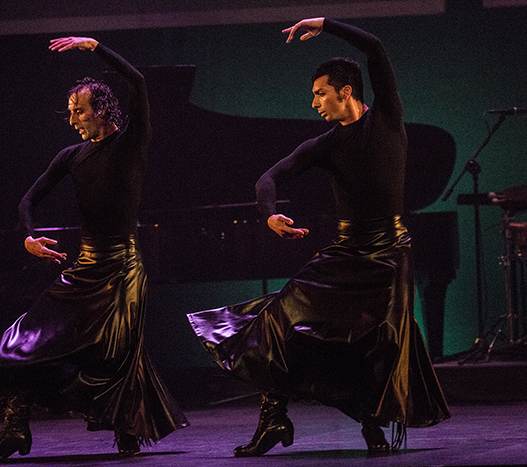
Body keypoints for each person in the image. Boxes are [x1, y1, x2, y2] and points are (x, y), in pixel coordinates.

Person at [187, 17, 450, 456]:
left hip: (389, 252)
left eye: (320, 93)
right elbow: (268, 179)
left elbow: (376, 48)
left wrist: (326, 24)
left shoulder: (386, 119)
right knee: (278, 320)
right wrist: (269, 215)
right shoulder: (326, 145)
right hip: (346, 252)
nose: (314, 103)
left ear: (346, 91)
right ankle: (273, 419)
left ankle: (371, 425)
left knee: (376, 339)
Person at [0, 37, 188, 462]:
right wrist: (27, 236)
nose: (72, 119)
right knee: (28, 338)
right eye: (69, 112)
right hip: (84, 268)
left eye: (79, 110)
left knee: (116, 353)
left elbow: (136, 82)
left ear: (102, 109)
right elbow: (28, 200)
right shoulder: (71, 155)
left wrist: (95, 47)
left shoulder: (131, 143)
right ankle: (15, 426)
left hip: (122, 270)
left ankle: (126, 429)